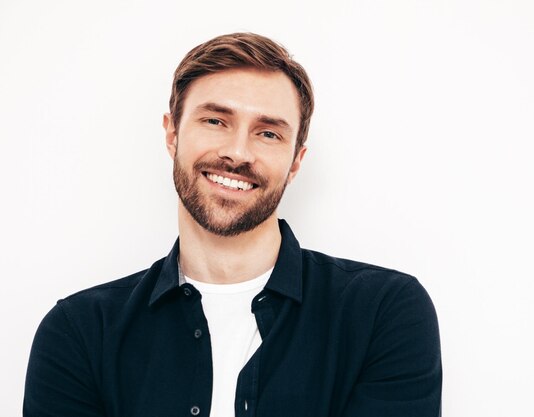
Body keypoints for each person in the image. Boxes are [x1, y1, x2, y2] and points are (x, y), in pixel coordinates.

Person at [24, 32, 442, 417]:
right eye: (215, 121)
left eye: (268, 133)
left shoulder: (382, 313)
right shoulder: (79, 332)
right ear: (172, 134)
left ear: (296, 160)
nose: (238, 153)